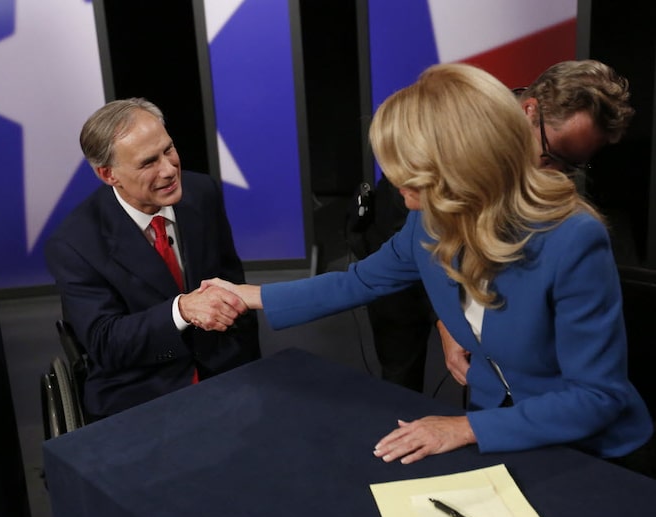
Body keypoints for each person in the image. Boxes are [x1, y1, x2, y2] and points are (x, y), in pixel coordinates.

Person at [205, 63, 654, 475]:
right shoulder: (428, 219)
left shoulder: (572, 238)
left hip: (590, 452)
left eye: (409, 172)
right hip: (498, 429)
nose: (396, 183)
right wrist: (251, 297)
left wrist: (465, 430)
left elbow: (597, 398)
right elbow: (359, 281)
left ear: (460, 167)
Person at [346, 59, 636, 392]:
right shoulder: (454, 134)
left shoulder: (576, 234)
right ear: (529, 110)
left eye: (573, 165)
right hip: (404, 260)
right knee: (400, 377)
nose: (553, 174)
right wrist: (448, 319)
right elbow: (413, 241)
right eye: (550, 155)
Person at [45, 98, 260, 419]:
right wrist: (181, 310)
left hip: (226, 371)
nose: (170, 169)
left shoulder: (202, 193)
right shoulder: (75, 243)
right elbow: (105, 343)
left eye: (168, 150)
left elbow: (232, 281)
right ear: (108, 174)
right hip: (142, 389)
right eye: (148, 163)